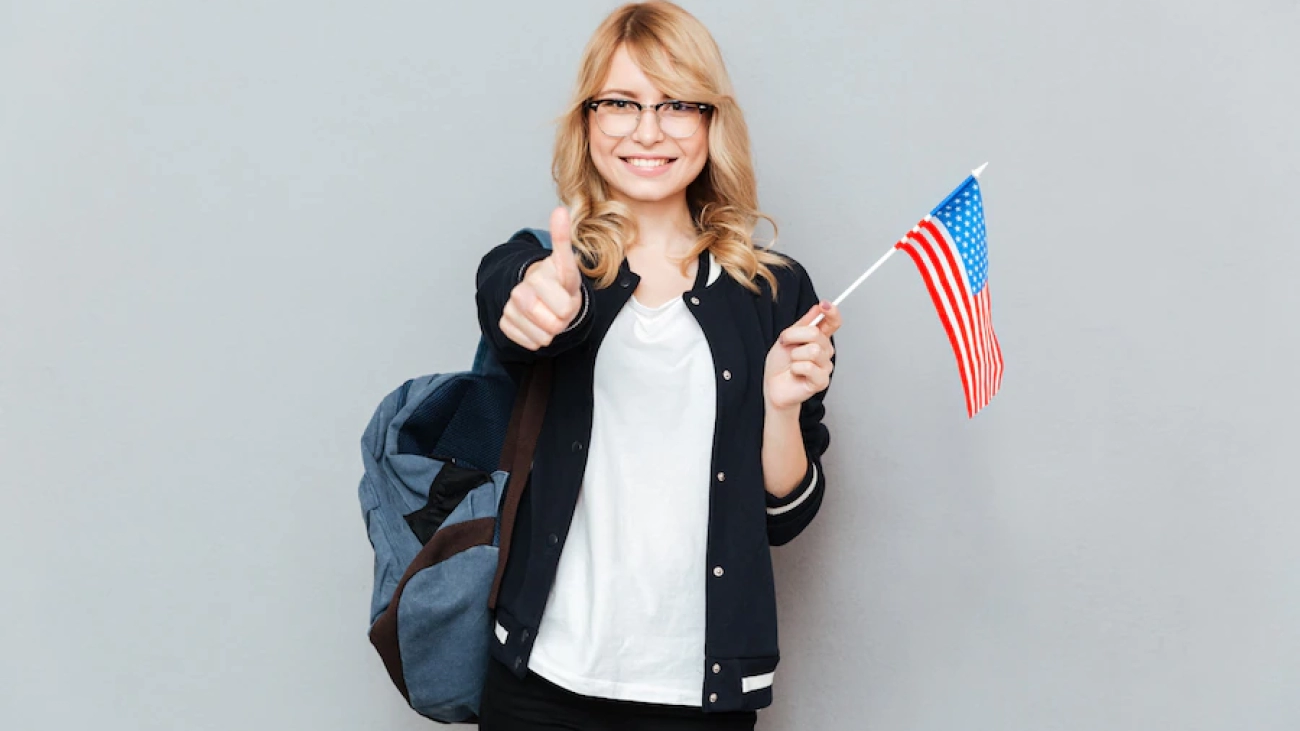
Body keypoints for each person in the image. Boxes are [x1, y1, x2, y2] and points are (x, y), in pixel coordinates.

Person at [474, 3, 841, 728]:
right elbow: (515, 308)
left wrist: (779, 408)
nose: (648, 130)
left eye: (677, 103)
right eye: (621, 103)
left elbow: (785, 516)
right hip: (541, 674)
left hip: (698, 691)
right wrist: (536, 301)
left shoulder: (775, 292)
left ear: (712, 121)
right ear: (587, 121)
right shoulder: (542, 265)